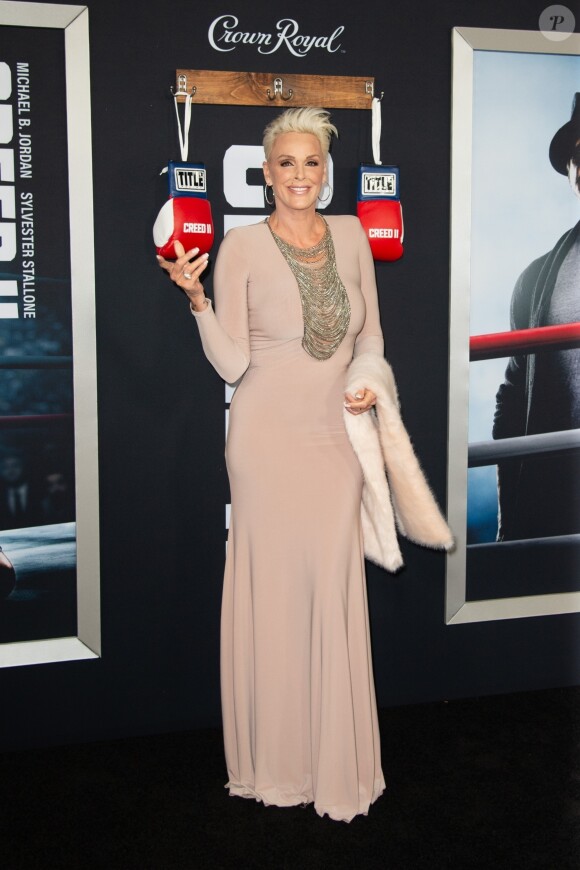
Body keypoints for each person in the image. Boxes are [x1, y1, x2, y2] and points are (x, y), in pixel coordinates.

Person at [158, 107, 452, 822]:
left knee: (334, 591)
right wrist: (196, 300)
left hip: (334, 438)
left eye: (312, 162)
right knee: (275, 595)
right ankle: (277, 765)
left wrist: (370, 377)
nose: (300, 175)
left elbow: (371, 332)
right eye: (286, 163)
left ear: (326, 170)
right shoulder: (240, 247)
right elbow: (233, 361)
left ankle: (335, 763)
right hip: (264, 441)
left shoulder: (353, 234)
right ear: (266, 174)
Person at [493, 94, 580, 541]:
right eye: (579, 152)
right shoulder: (534, 280)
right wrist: (512, 522)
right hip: (556, 499)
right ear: (570, 172)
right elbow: (511, 399)